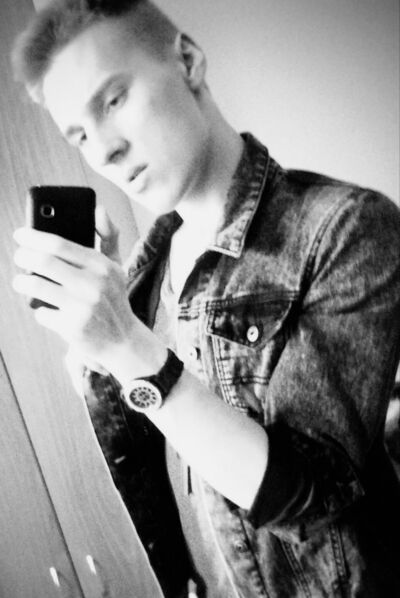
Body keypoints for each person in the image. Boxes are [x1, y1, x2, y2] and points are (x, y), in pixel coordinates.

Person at [11, 1, 400, 597]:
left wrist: (128, 345)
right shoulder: (143, 276)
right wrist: (100, 346)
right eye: (80, 136)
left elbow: (316, 497)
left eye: (112, 101)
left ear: (188, 61)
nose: (104, 151)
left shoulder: (346, 227)